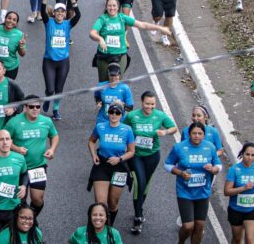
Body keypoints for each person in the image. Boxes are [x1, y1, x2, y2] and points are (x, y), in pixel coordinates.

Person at [124, 90, 178, 234]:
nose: (150, 107)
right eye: (147, 104)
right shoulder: (132, 115)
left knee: (145, 184)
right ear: (142, 103)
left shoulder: (159, 115)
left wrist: (165, 132)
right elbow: (122, 128)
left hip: (152, 155)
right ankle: (137, 217)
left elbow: (173, 128)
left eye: (153, 104)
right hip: (135, 155)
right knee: (139, 183)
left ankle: (139, 209)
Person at [166, 122, 222, 244]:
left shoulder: (210, 147)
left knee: (199, 225)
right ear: (189, 134)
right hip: (185, 191)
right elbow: (168, 164)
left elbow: (218, 165)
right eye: (194, 133)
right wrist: (180, 173)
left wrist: (213, 169)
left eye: (200, 133)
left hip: (203, 192)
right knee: (188, 226)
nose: (197, 136)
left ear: (204, 135)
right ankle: (180, 241)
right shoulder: (179, 147)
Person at [90, 0, 169, 81]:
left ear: (118, 7)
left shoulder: (123, 18)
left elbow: (142, 25)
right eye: (109, 6)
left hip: (120, 55)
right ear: (106, 7)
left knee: (117, 83)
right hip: (104, 56)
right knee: (103, 85)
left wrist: (160, 28)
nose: (112, 8)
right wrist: (100, 39)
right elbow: (92, 33)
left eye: (114, 6)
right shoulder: (102, 19)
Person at [5, 95, 59, 221]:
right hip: (19, 168)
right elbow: (4, 141)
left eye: (38, 107)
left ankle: (30, 220)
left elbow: (54, 136)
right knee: (20, 200)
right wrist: (17, 149)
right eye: (31, 107)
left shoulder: (46, 121)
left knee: (38, 199)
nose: (35, 109)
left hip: (38, 165)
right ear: (25, 107)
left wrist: (52, 149)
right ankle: (19, 224)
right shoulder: (14, 122)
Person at [87, 102, 135, 227]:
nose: (114, 115)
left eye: (117, 113)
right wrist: (94, 155)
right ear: (108, 113)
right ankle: (99, 230)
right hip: (102, 165)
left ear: (121, 115)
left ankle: (109, 227)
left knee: (112, 203)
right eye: (111, 112)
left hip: (119, 167)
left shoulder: (127, 130)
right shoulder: (100, 127)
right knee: (100, 203)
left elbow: (131, 152)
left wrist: (119, 159)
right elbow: (91, 141)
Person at [40, 0, 80, 119]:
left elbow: (78, 16)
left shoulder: (68, 24)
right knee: (50, 89)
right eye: (58, 11)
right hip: (49, 61)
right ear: (55, 13)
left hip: (63, 62)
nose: (60, 13)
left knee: (59, 89)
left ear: (65, 14)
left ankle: (55, 110)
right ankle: (47, 98)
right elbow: (42, 11)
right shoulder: (48, 23)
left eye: (62, 11)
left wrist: (74, 2)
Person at [224, 142, 254, 244]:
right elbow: (227, 191)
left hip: (253, 209)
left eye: (253, 155)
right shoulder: (234, 170)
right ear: (242, 154)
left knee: (250, 240)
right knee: (237, 240)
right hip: (236, 210)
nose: (250, 158)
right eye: (247, 154)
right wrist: (243, 188)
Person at [0, 12, 27, 80]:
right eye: (9, 18)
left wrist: (21, 46)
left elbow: (22, 54)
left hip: (10, 67)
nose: (11, 21)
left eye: (14, 20)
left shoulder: (19, 35)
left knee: (8, 89)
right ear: (5, 19)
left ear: (16, 23)